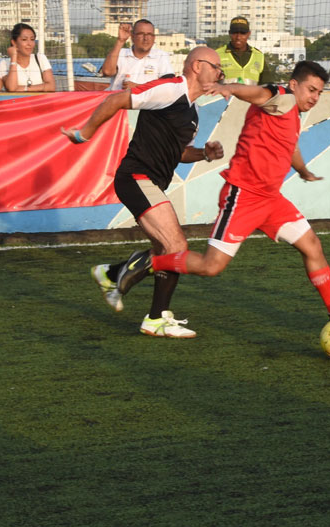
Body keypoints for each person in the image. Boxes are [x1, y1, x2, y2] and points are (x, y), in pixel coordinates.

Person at [120, 60, 330, 327]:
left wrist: (302, 170)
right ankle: (149, 263)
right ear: (294, 84)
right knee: (211, 266)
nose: (315, 97)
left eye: (319, 93)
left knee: (311, 245)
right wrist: (229, 88)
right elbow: (259, 93)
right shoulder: (283, 96)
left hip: (271, 199)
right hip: (244, 196)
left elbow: (290, 147)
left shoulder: (289, 112)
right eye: (311, 90)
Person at [64, 46, 226, 338]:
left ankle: (112, 274)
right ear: (196, 66)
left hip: (149, 182)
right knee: (177, 246)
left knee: (165, 250)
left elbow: (179, 153)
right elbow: (116, 99)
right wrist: (85, 133)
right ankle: (156, 318)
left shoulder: (193, 113)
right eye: (216, 67)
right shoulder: (171, 88)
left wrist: (204, 153)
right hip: (136, 177)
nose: (220, 73)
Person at [100, 19, 173, 90]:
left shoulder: (161, 56)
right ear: (132, 36)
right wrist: (120, 40)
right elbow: (107, 72)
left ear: (154, 38)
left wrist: (138, 87)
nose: (146, 38)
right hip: (117, 97)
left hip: (148, 99)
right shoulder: (120, 53)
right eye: (141, 34)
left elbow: (168, 85)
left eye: (149, 34)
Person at [216, 16, 277, 85]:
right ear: (229, 33)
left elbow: (267, 85)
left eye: (242, 33)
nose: (238, 37)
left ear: (249, 34)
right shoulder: (217, 55)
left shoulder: (258, 56)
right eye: (235, 33)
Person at [3, 23, 56, 92]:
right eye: (24, 39)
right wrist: (13, 59)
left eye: (32, 39)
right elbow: (12, 88)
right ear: (14, 42)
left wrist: (25, 88)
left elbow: (51, 86)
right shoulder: (5, 63)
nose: (29, 44)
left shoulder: (40, 58)